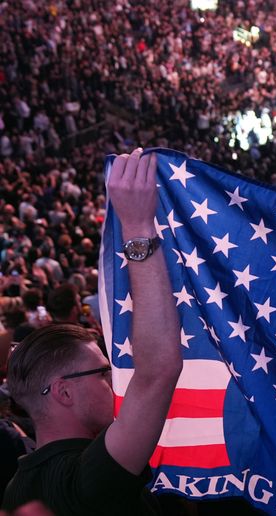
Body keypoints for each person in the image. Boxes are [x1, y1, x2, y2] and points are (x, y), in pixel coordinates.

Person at [2, 149, 182, 514]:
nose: (114, 380)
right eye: (102, 372)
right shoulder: (81, 480)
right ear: (64, 392)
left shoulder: (17, 488)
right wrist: (137, 227)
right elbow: (158, 370)